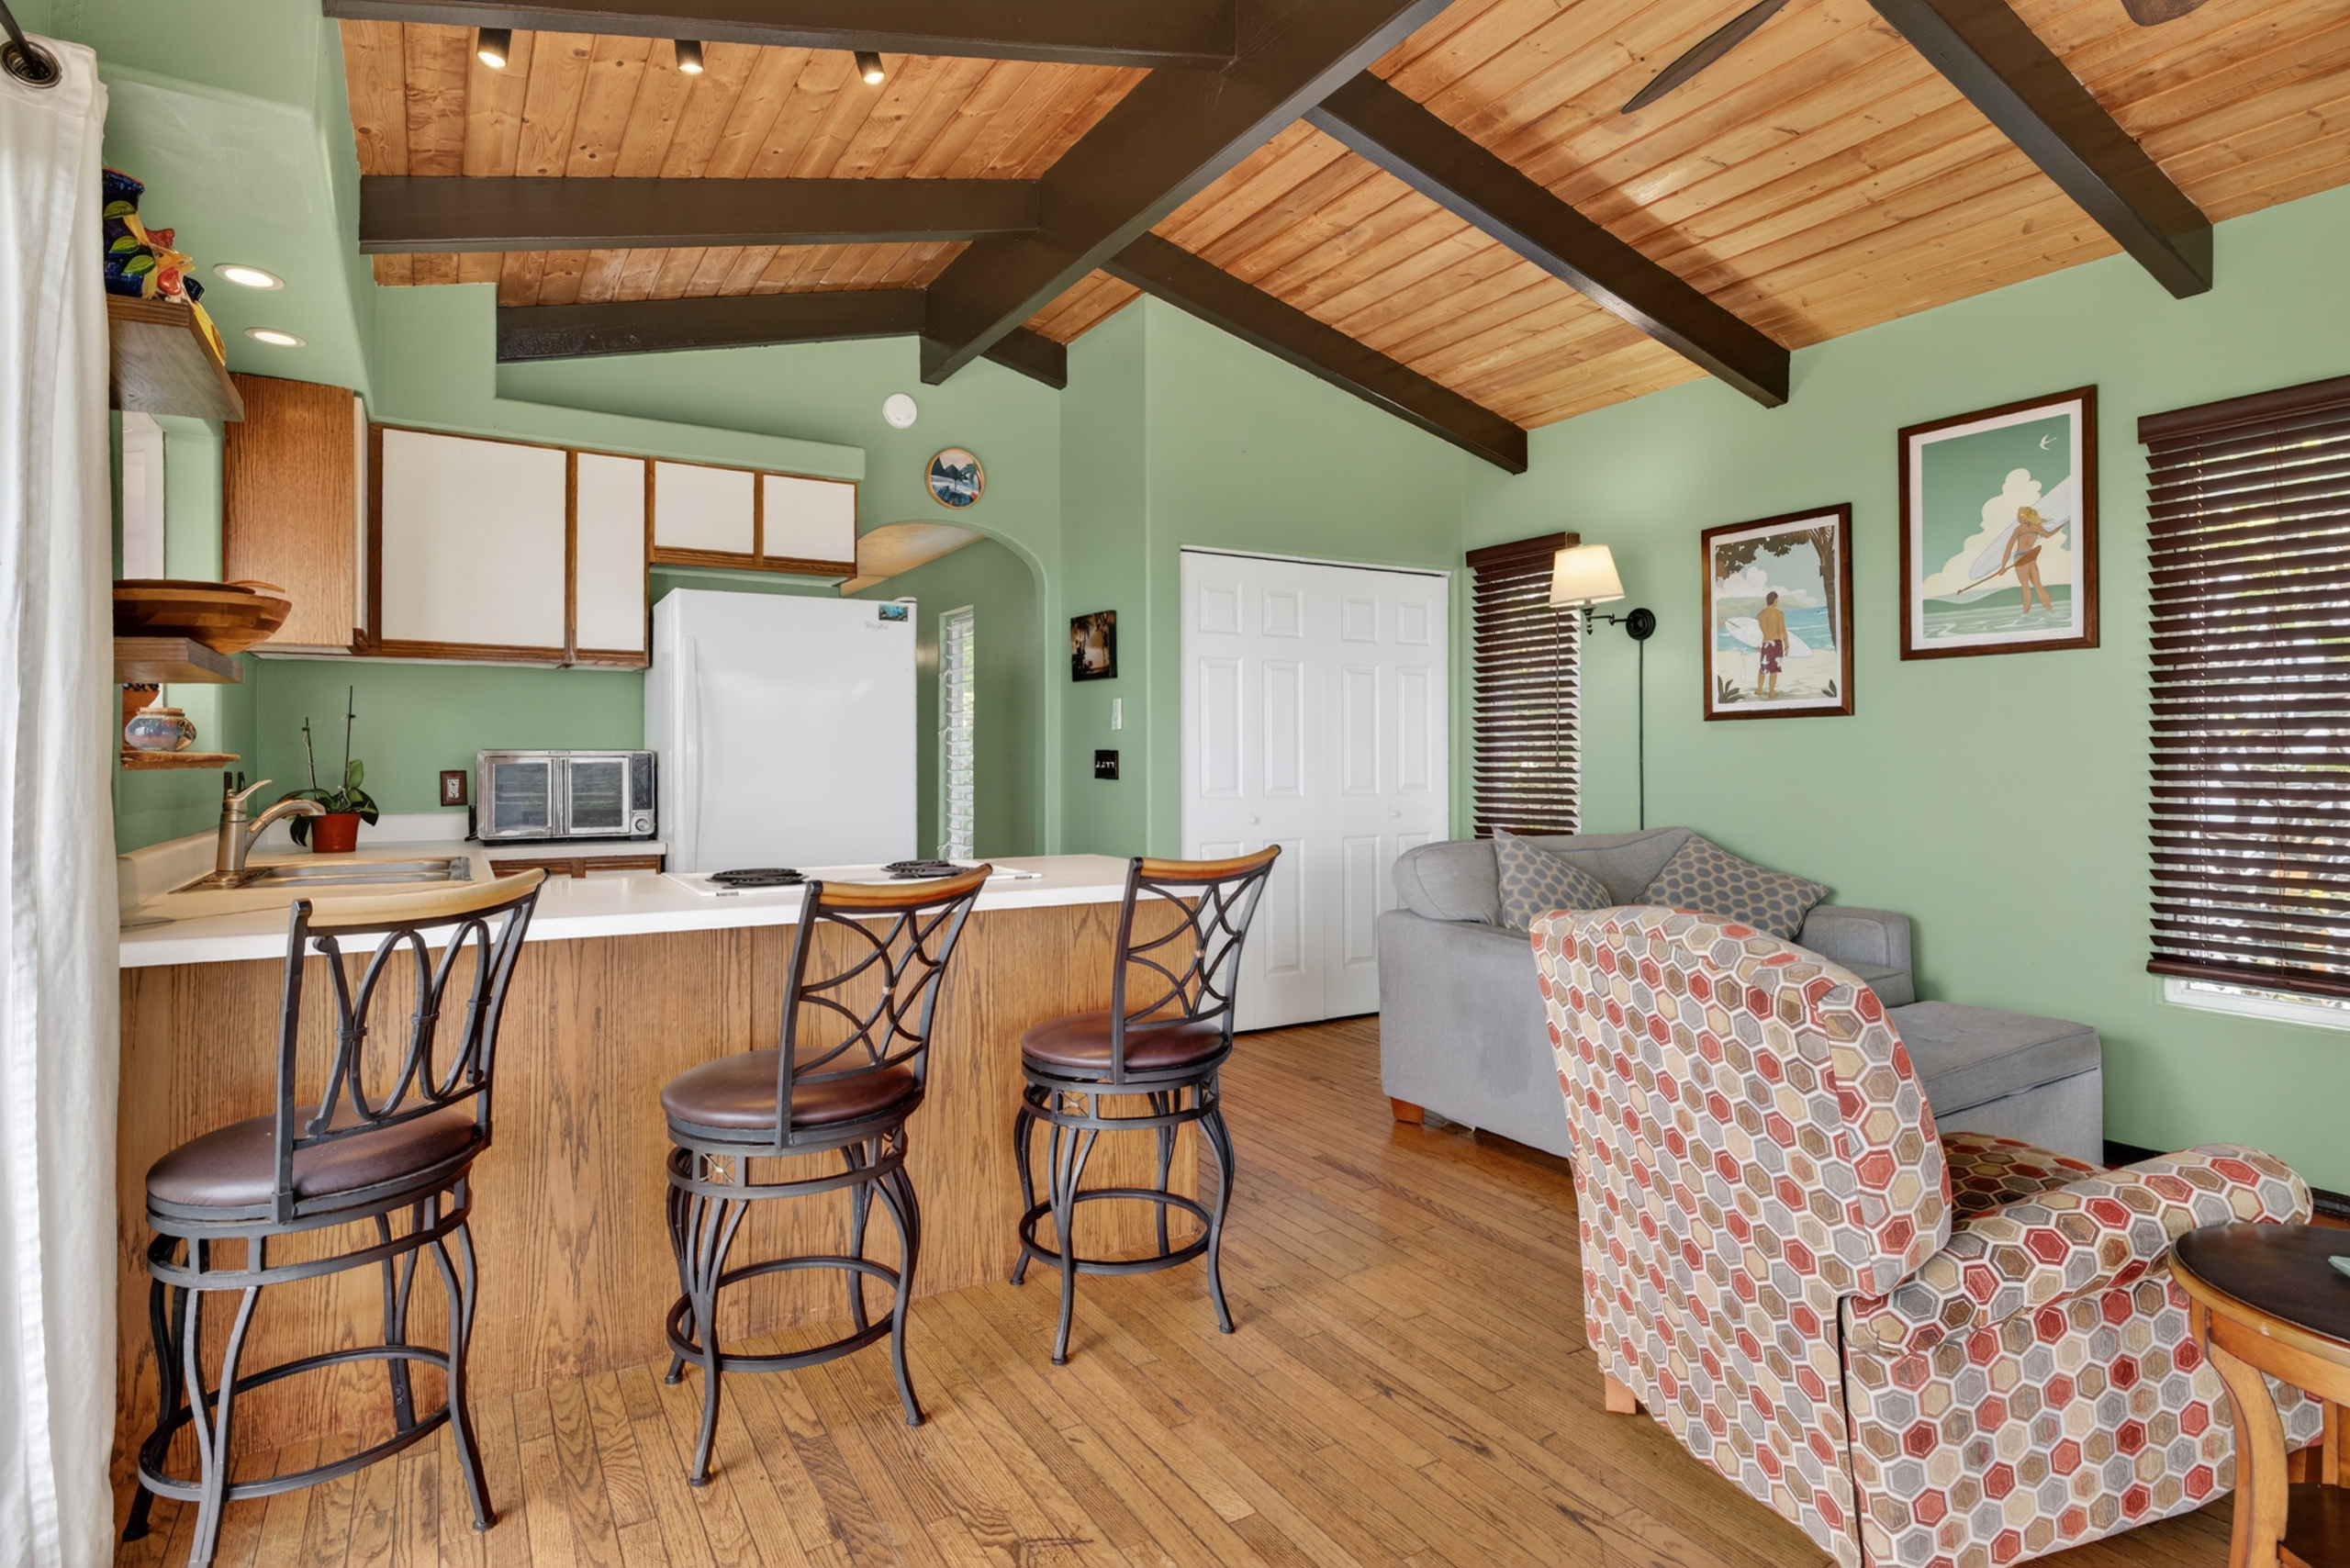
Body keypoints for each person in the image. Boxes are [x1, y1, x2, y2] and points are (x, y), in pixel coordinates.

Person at [1999, 505, 2064, 615]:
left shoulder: (2019, 529)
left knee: (2025, 587)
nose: (2018, 518)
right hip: (2031, 557)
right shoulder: (2036, 527)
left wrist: (2003, 567)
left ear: (2023, 516)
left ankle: (2026, 614)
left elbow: (2009, 547)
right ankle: (2050, 611)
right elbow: (2048, 535)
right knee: (2038, 584)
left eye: (2019, 515)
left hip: (2020, 557)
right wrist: (2060, 526)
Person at [1755, 590, 1786, 699]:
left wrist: (1756, 645)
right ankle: (1771, 692)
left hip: (1765, 643)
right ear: (1775, 601)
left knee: (1763, 668)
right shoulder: (1779, 613)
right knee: (1774, 670)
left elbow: (1757, 632)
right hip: (1776, 643)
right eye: (1777, 600)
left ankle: (1759, 690)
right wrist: (1786, 644)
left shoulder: (1760, 615)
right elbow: (1782, 630)